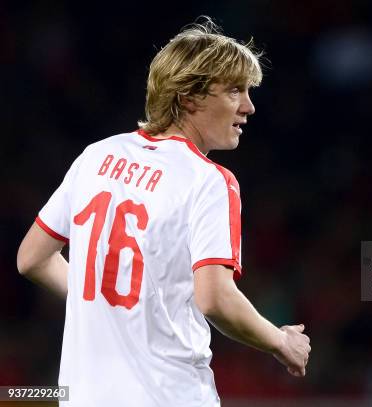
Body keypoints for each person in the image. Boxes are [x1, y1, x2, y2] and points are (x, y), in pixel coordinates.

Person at [16, 18, 310, 407]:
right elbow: (215, 298)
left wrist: (106, 308)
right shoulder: (209, 180)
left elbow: (31, 259)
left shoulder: (97, 155)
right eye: (235, 91)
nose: (248, 106)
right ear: (189, 97)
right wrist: (280, 341)